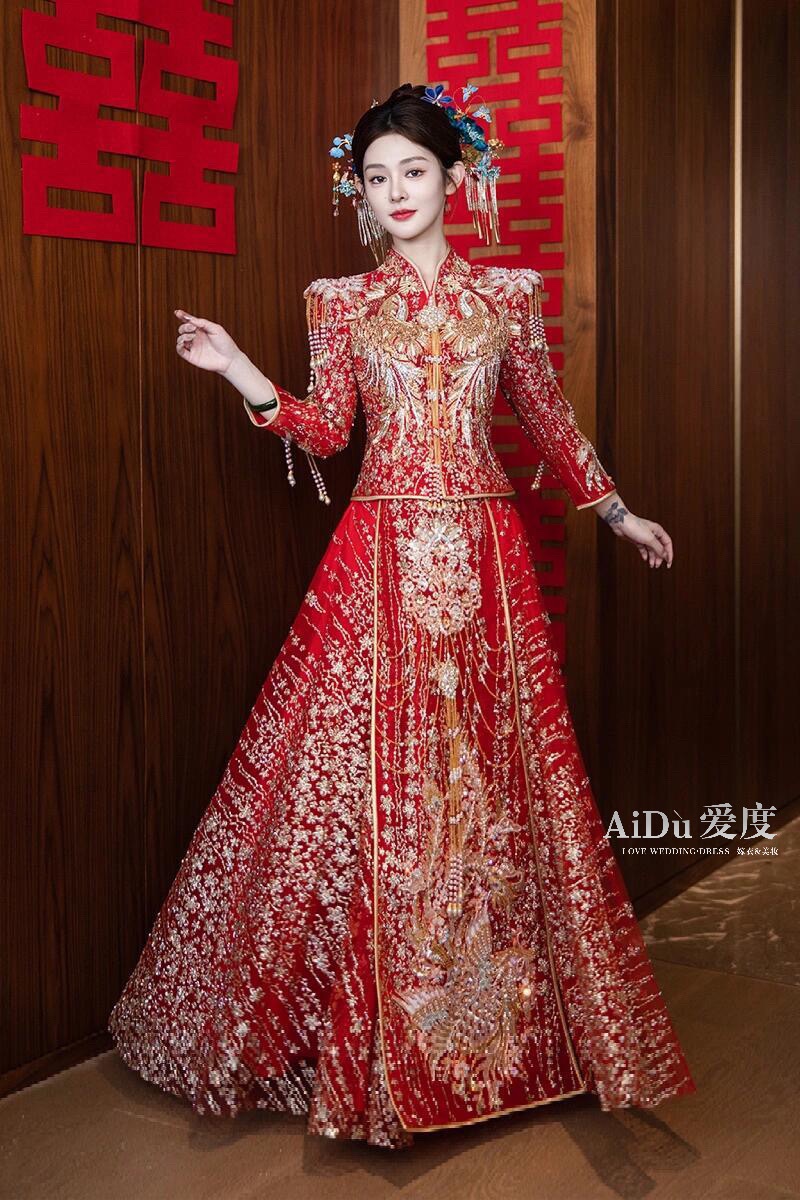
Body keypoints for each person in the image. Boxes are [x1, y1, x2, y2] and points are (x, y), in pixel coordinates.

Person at [108, 83, 695, 1150]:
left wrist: (615, 512)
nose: (394, 192)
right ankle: (372, 1045)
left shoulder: (507, 295)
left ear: (455, 177)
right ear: (362, 195)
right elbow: (328, 430)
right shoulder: (338, 302)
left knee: (496, 778)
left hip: (486, 562)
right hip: (376, 559)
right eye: (375, 179)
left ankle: (513, 1037)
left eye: (412, 171)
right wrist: (239, 370)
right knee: (352, 778)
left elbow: (546, 418)